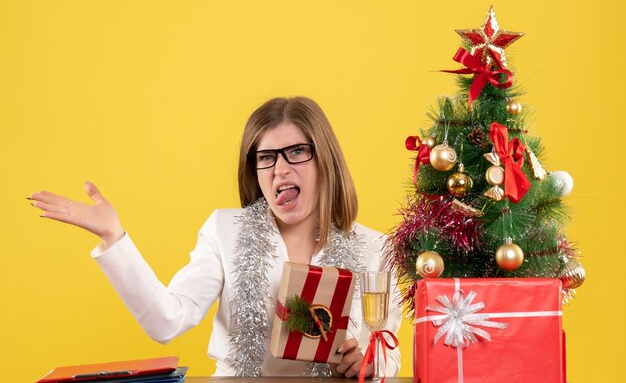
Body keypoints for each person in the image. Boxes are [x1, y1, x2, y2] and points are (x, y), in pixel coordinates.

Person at [28, 96, 402, 378]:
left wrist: (367, 361)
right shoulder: (225, 230)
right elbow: (166, 321)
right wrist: (113, 235)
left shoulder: (376, 248)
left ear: (326, 161)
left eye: (297, 152)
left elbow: (388, 350)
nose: (280, 169)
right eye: (266, 157)